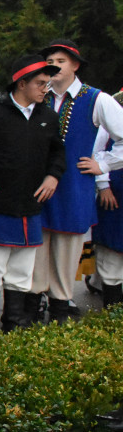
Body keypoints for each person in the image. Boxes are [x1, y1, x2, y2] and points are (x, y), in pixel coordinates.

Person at [0, 55, 65, 339]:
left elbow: (58, 152)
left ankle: (12, 326)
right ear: (21, 83)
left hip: (30, 206)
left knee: (22, 273)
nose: (45, 89)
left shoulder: (48, 116)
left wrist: (53, 176)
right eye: (40, 83)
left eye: (47, 84)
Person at [30, 39, 123, 324]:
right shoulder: (38, 95)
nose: (55, 66)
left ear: (75, 65)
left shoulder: (97, 98)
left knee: (67, 253)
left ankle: (59, 310)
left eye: (61, 61)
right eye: (51, 61)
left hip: (73, 188)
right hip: (36, 185)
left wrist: (103, 164)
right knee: (36, 252)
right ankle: (33, 310)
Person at [92, 91, 123, 309]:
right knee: (112, 253)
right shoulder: (113, 118)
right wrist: (103, 185)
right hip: (115, 195)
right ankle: (111, 315)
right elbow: (97, 152)